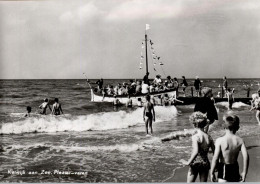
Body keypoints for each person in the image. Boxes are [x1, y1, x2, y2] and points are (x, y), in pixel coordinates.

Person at [210, 115, 249, 182]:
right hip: (235, 168)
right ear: (238, 128)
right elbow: (246, 156)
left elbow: (215, 158)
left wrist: (212, 172)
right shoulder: (240, 140)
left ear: (224, 127)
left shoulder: (220, 140)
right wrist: (244, 172)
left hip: (224, 167)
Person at [181, 112, 215, 182]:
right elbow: (215, 152)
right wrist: (215, 166)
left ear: (195, 124)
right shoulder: (209, 137)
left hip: (196, 163)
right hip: (205, 163)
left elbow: (196, 151)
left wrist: (188, 162)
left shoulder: (195, 137)